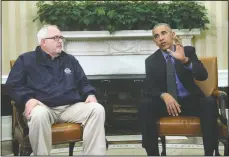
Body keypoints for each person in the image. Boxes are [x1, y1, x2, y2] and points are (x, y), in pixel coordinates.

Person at [6, 25, 107, 155]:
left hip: (70, 107)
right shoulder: (26, 60)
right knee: (38, 114)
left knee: (97, 109)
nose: (60, 40)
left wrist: (90, 94)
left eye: (60, 37)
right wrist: (28, 99)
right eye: (55, 38)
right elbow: (13, 85)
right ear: (43, 42)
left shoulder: (70, 60)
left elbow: (83, 82)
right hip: (43, 107)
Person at [139, 23, 218, 156]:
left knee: (209, 102)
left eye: (164, 33)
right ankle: (152, 154)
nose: (161, 38)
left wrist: (185, 61)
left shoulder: (187, 51)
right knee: (145, 105)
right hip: (167, 105)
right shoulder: (151, 61)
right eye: (156, 36)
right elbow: (149, 87)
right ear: (154, 41)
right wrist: (163, 95)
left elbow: (203, 75)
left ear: (172, 34)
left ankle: (209, 153)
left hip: (189, 101)